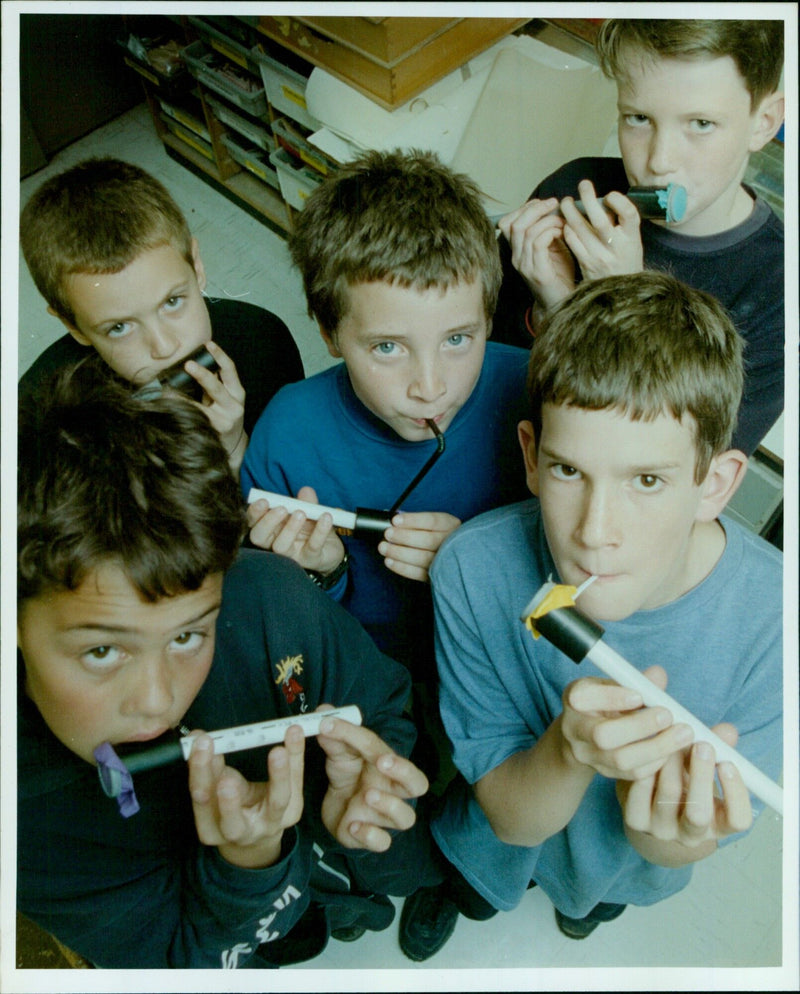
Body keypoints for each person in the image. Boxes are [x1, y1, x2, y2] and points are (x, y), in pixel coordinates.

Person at [398, 272, 782, 960]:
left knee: (591, 903)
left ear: (715, 484)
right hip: (499, 834)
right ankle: (461, 890)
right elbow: (511, 820)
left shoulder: (779, 624)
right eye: (570, 470)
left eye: (647, 480)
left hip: (628, 864)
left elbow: (675, 845)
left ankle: (582, 908)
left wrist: (667, 828)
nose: (594, 532)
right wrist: (570, 747)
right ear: (531, 458)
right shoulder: (473, 571)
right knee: (476, 883)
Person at [16, 363, 446, 969]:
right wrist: (251, 863)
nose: (159, 700)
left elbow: (379, 706)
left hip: (339, 876)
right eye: (103, 650)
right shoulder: (27, 819)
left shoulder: (270, 595)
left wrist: (365, 790)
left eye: (190, 635)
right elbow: (176, 962)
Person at [241, 149, 530, 685]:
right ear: (329, 334)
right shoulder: (286, 437)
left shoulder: (536, 394)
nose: (431, 387)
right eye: (389, 348)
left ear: (490, 316)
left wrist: (479, 563)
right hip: (368, 668)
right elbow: (283, 623)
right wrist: (321, 573)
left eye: (458, 339)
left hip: (503, 661)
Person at [493, 18, 785, 457]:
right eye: (638, 118)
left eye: (701, 124)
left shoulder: (779, 289)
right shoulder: (575, 186)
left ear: (763, 122)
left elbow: (686, 471)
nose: (659, 161)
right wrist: (550, 309)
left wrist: (616, 301)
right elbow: (485, 380)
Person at [19, 157, 304, 472]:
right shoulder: (40, 418)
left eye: (172, 301)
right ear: (72, 325)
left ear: (196, 267)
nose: (165, 347)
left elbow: (285, 483)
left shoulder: (261, 339)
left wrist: (234, 448)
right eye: (118, 327)